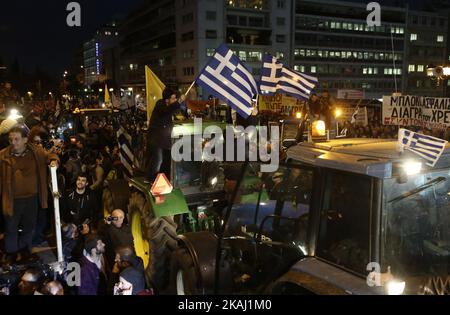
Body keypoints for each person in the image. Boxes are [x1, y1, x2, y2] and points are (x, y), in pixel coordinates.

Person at [0, 124, 59, 265]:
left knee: (29, 227)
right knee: (11, 228)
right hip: (12, 199)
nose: (13, 142)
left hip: (31, 199)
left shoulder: (36, 152)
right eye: (11, 139)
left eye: (16, 139)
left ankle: (24, 251)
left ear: (26, 139)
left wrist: (54, 161)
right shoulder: (3, 156)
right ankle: (11, 254)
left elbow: (51, 155)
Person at [147, 88, 186, 182]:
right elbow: (166, 111)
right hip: (156, 139)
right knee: (158, 159)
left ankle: (165, 178)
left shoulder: (170, 108)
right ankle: (151, 179)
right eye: (173, 98)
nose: (175, 100)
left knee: (167, 161)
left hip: (165, 140)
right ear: (167, 99)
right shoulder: (160, 105)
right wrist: (179, 101)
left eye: (176, 98)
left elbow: (175, 113)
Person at [61, 173, 98, 260]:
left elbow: (96, 211)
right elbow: (63, 211)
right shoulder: (68, 194)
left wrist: (90, 226)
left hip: (85, 227)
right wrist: (69, 226)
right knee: (71, 251)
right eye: (79, 180)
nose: (80, 182)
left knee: (84, 249)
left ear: (87, 183)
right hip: (71, 229)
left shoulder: (92, 195)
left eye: (83, 180)